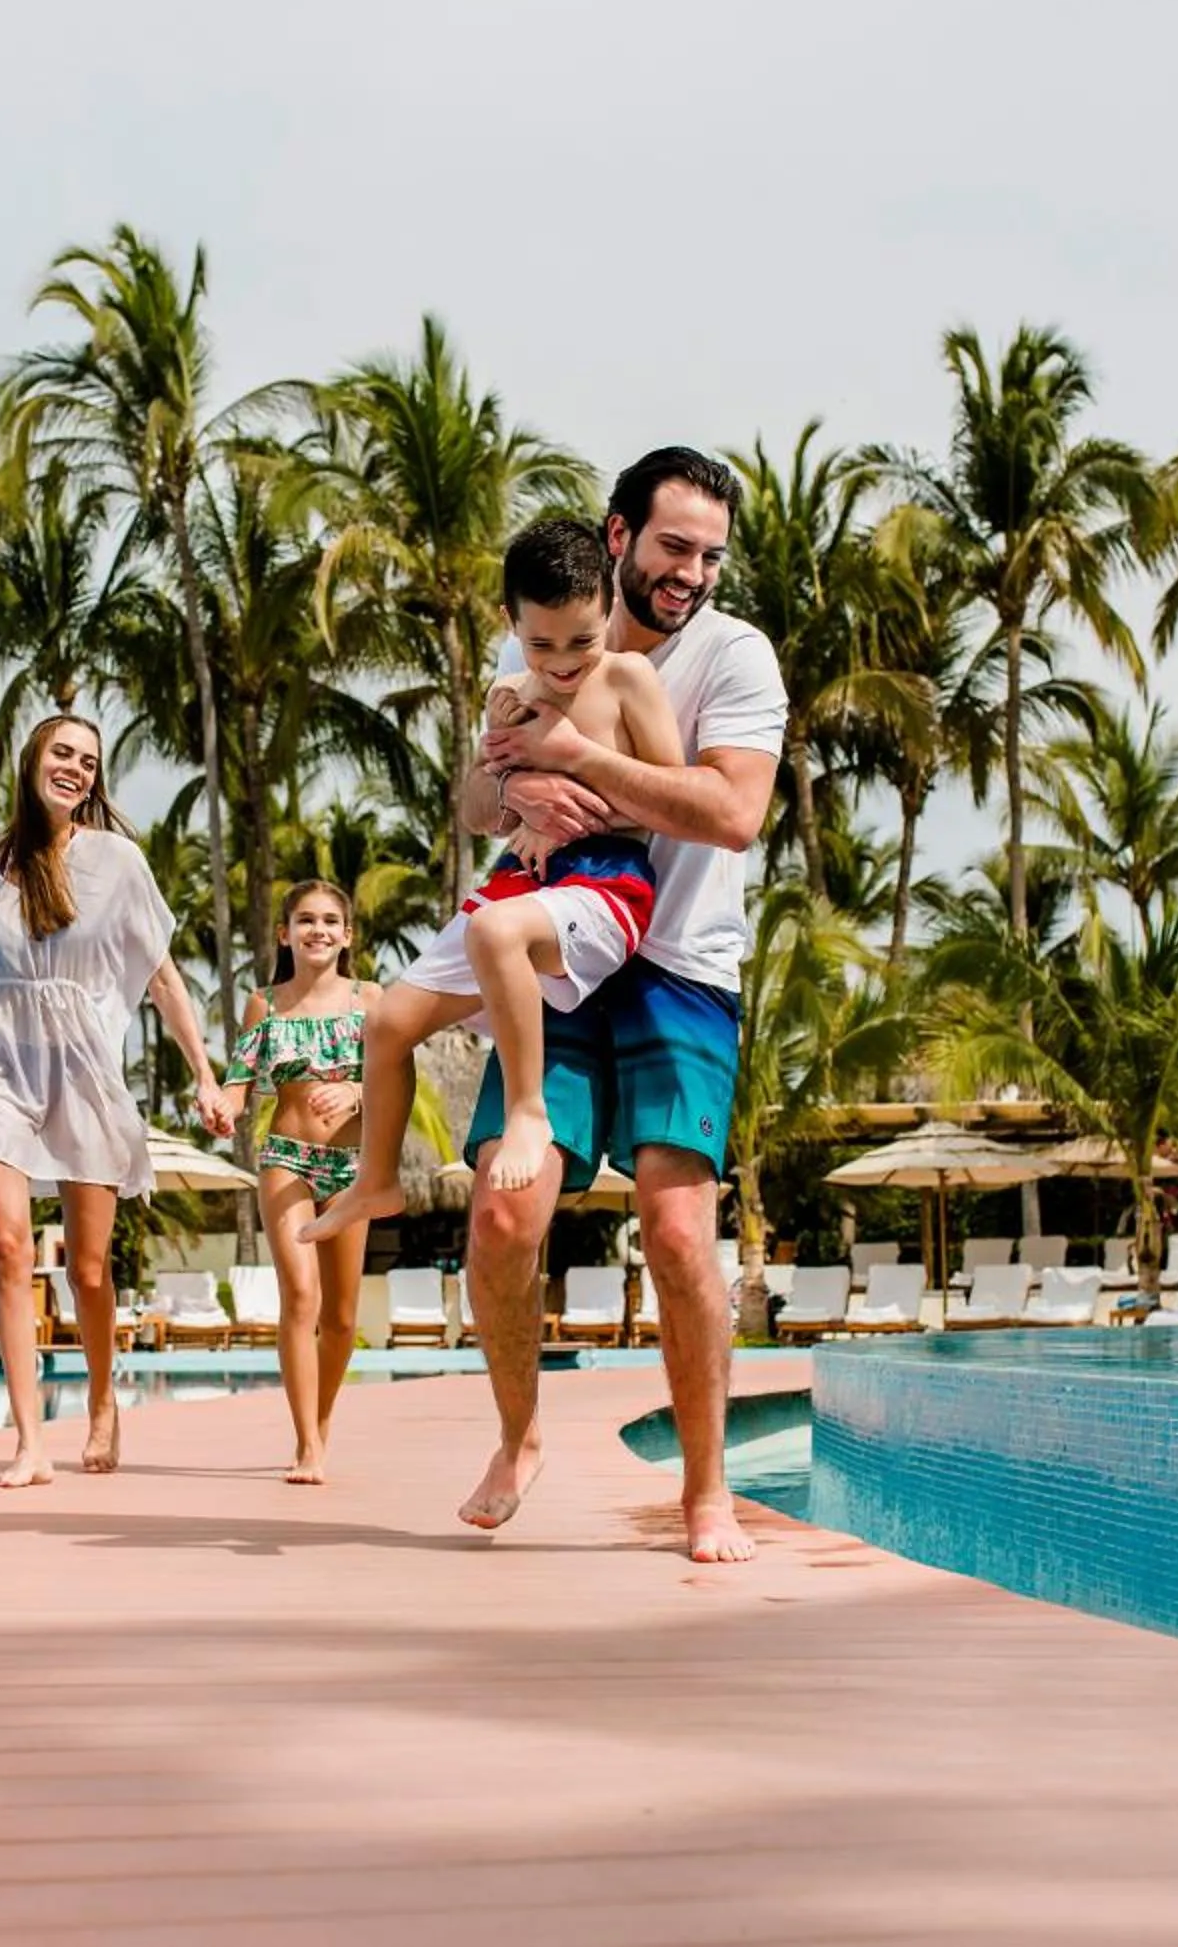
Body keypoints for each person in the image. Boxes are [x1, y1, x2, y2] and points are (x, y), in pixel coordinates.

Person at [455, 447, 784, 1565]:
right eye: (672, 546)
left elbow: (731, 813)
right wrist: (514, 781)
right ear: (616, 536)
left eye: (709, 555)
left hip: (682, 961)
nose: (690, 572)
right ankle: (518, 1435)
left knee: (679, 1223)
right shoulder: (543, 635)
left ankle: (705, 1490)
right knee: (503, 1210)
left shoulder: (735, 657)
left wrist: (578, 759)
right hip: (559, 947)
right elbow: (470, 789)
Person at [300, 517, 681, 1245]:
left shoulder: (629, 680)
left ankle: (529, 1111)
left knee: (496, 931)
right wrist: (517, 799)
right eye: (542, 644)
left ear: (607, 611)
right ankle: (377, 1179)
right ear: (512, 624)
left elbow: (666, 799)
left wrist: (575, 800)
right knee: (384, 1022)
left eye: (582, 640)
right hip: (519, 882)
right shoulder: (508, 691)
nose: (563, 662)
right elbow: (486, 804)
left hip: (605, 885)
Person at [0, 713, 234, 1489]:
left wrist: (203, 1072)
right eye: (63, 753)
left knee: (91, 1270)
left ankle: (103, 1397)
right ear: (32, 758)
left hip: (86, 1071)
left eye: (90, 762)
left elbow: (163, 976)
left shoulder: (117, 861)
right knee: (9, 1245)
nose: (76, 768)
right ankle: (30, 1442)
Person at [226, 881, 376, 1482]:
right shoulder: (263, 1003)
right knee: (302, 1296)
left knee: (341, 1316)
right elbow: (238, 1081)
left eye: (330, 921)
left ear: (347, 935)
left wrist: (358, 1089)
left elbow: (396, 1079)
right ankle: (307, 1444)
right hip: (286, 1157)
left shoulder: (370, 999)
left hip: (350, 1168)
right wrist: (219, 1102)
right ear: (284, 933)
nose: (318, 930)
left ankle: (322, 1420)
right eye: (305, 920)